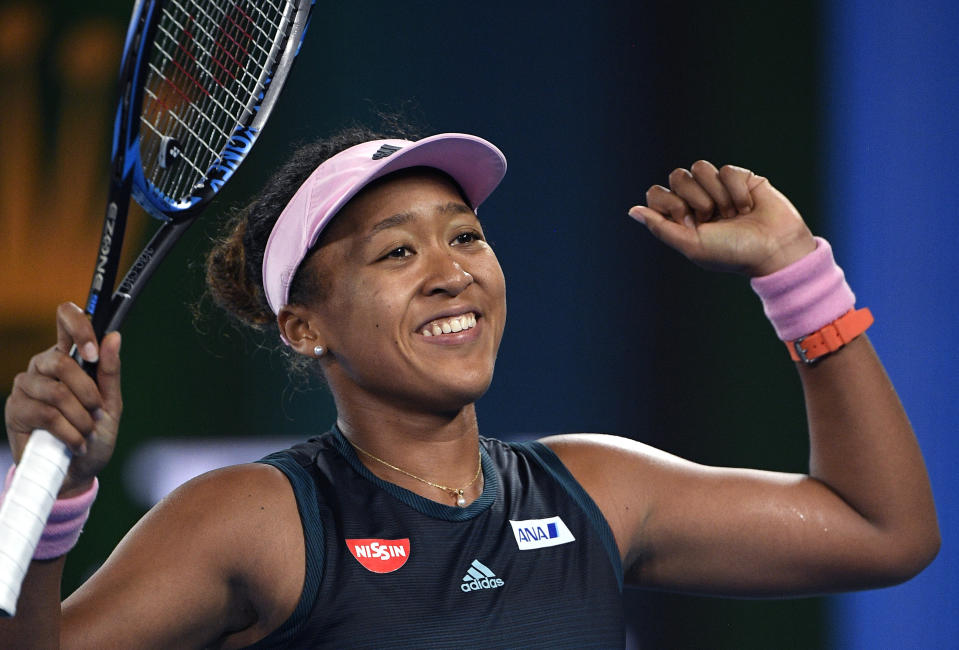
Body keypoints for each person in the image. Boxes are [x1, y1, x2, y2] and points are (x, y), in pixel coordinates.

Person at [2, 127, 940, 648]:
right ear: (305, 326)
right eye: (398, 252)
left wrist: (792, 273)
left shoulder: (597, 489)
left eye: (465, 236)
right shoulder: (253, 519)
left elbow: (882, 532)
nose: (452, 272)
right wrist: (57, 491)